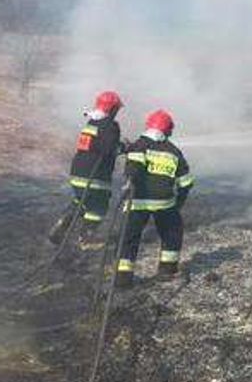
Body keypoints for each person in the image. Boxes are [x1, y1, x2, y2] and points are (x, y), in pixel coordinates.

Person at [116, 109, 194, 288]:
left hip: (137, 202)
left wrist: (129, 181)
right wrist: (178, 204)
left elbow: (134, 167)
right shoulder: (174, 151)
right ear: (168, 130)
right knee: (172, 234)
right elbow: (186, 182)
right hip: (164, 203)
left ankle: (122, 279)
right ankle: (167, 271)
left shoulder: (139, 145)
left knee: (128, 239)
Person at [50, 90, 124, 244]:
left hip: (77, 171)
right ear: (112, 109)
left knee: (82, 200)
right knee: (98, 205)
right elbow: (108, 150)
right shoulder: (110, 125)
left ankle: (64, 222)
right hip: (95, 174)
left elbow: (97, 145)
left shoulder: (92, 123)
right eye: (116, 109)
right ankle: (87, 237)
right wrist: (124, 148)